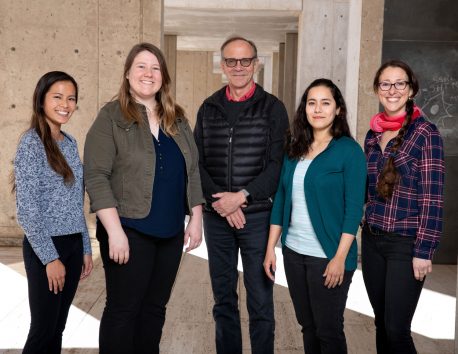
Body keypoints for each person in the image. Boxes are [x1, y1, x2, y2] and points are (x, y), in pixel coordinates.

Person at [84, 42, 204, 354]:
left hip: (170, 231)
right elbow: (96, 175)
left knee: (155, 309)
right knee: (124, 310)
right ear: (127, 73)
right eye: (141, 66)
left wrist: (196, 219)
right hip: (128, 229)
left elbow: (192, 171)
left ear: (163, 77)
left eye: (155, 68)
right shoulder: (110, 116)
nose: (148, 73)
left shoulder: (177, 118)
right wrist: (115, 233)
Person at [194, 36, 289, 354]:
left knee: (261, 300)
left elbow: (277, 166)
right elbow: (197, 163)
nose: (238, 67)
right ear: (222, 65)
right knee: (223, 299)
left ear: (256, 63)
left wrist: (243, 196)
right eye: (231, 61)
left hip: (258, 217)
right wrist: (223, 202)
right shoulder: (208, 108)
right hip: (217, 218)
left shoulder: (273, 108)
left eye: (245, 61)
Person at [263, 78, 366, 354]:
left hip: (329, 256)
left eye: (325, 103)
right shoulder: (294, 148)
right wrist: (271, 248)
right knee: (308, 327)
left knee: (329, 331)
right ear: (304, 109)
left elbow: (353, 210)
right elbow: (282, 199)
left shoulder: (349, 152)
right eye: (311, 103)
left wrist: (340, 259)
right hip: (295, 252)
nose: (317, 109)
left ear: (338, 110)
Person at [362, 60, 445, 354]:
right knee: (382, 324)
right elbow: (367, 190)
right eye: (385, 83)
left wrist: (424, 252)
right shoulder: (372, 136)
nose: (392, 90)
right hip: (372, 240)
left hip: (405, 244)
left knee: (397, 330)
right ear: (377, 89)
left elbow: (433, 198)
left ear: (411, 90)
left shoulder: (426, 134)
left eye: (400, 83)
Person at [13, 71, 93, 354]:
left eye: (71, 98)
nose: (66, 104)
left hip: (72, 244)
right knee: (43, 330)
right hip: (46, 247)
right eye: (57, 97)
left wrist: (84, 247)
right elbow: (27, 211)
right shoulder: (31, 144)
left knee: (57, 328)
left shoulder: (70, 143)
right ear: (41, 100)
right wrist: (50, 258)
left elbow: (75, 202)